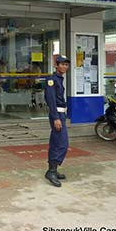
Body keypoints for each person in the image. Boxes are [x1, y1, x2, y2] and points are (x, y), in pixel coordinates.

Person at [44, 55, 70, 187]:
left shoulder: (59, 79)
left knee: (56, 142)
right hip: (57, 115)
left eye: (66, 64)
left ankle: (52, 170)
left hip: (61, 114)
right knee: (62, 143)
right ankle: (51, 171)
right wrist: (56, 118)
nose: (64, 66)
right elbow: (51, 100)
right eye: (62, 64)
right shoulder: (52, 80)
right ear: (56, 65)